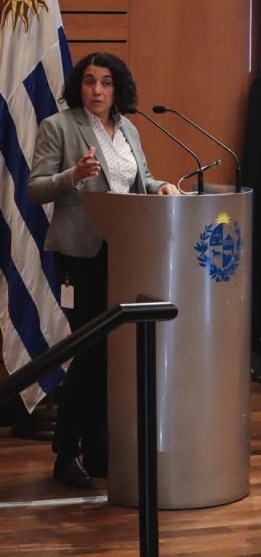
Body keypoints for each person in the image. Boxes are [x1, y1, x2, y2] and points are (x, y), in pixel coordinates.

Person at [27, 52, 180, 489]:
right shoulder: (58, 126)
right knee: (90, 353)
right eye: (90, 81)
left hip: (127, 251)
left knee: (113, 355)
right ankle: (65, 454)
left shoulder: (129, 128)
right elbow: (35, 189)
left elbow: (139, 180)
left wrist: (161, 186)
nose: (96, 90)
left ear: (118, 89)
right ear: (79, 85)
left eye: (106, 82)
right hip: (80, 255)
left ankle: (98, 450)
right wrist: (72, 176)